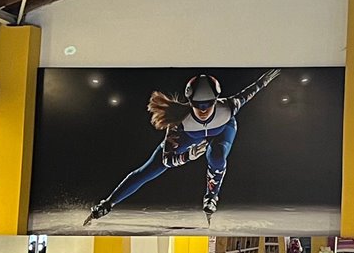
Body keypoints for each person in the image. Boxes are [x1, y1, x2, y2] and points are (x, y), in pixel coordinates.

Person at [85, 69, 280, 227]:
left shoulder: (229, 107)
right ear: (190, 102)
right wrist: (187, 156)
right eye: (197, 104)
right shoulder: (179, 122)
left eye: (208, 104)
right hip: (189, 135)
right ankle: (107, 203)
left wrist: (265, 79)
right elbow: (166, 160)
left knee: (218, 155)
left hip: (222, 130)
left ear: (216, 100)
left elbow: (252, 90)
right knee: (149, 170)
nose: (203, 110)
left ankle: (211, 196)